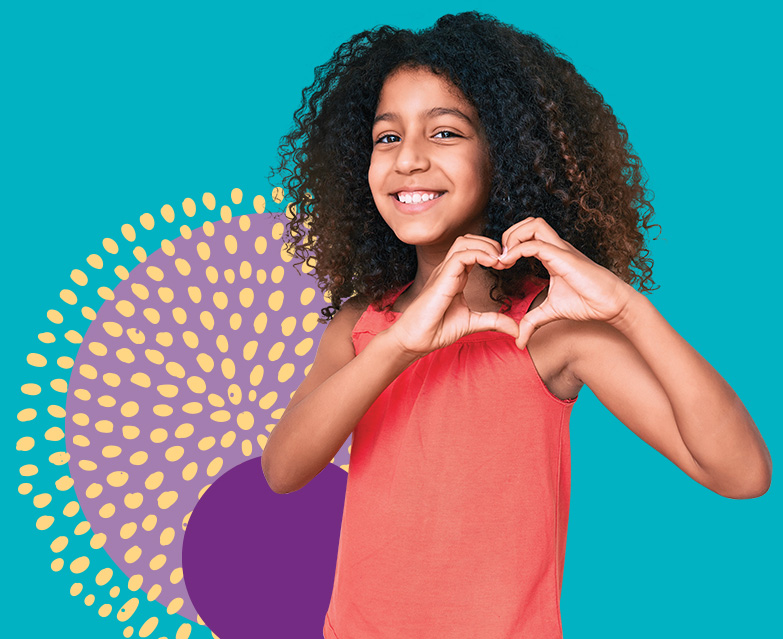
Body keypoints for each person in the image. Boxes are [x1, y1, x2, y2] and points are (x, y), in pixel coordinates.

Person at [261, 12, 772, 639]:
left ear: (504, 154)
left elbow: (742, 474)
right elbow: (282, 471)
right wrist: (399, 346)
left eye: (445, 132)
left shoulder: (551, 333)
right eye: (386, 137)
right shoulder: (363, 326)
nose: (410, 160)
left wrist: (629, 312)